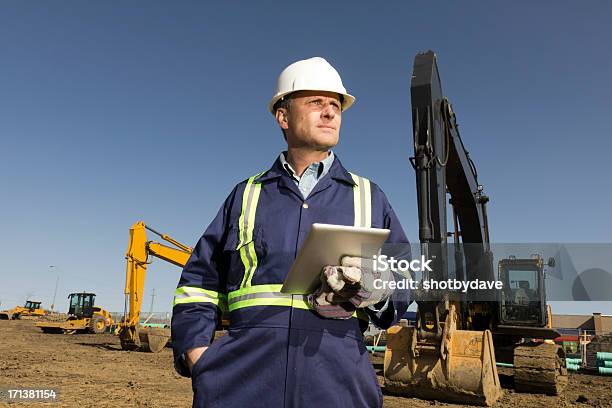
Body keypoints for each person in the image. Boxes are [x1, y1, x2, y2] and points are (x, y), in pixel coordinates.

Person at [171, 56, 411, 408]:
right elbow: (198, 285)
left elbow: (405, 274)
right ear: (283, 116)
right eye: (316, 102)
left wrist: (379, 290)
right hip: (242, 382)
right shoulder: (246, 195)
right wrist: (198, 355)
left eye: (335, 105)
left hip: (338, 380)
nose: (330, 112)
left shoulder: (368, 197)